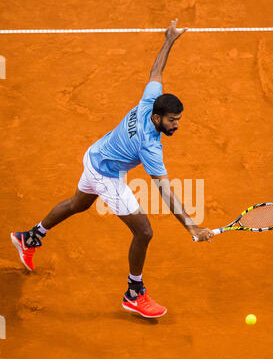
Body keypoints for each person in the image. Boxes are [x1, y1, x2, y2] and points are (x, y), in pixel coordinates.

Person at [11, 19, 214, 319]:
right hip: (106, 174)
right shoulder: (150, 146)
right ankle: (134, 293)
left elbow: (155, 72)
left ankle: (30, 237)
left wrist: (169, 39)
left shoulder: (148, 101)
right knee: (144, 231)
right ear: (158, 118)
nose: (177, 125)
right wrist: (191, 226)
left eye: (178, 119)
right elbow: (165, 191)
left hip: (95, 154)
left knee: (77, 204)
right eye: (173, 120)